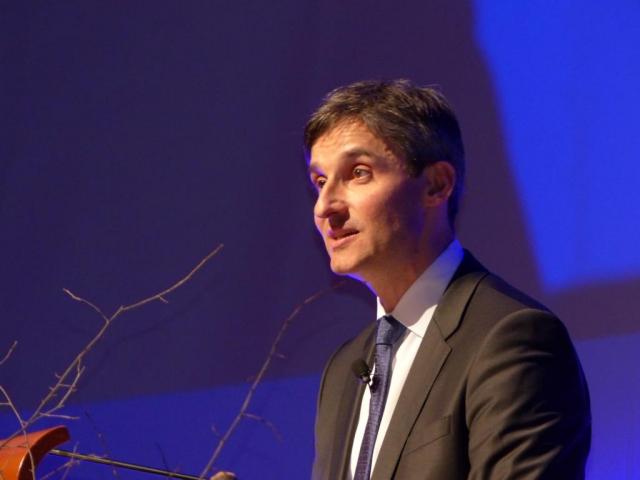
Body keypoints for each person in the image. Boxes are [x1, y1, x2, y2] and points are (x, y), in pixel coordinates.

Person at [304, 80, 591, 480]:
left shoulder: (512, 339)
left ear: (437, 185)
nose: (325, 206)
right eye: (320, 182)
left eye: (358, 173)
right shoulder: (341, 372)